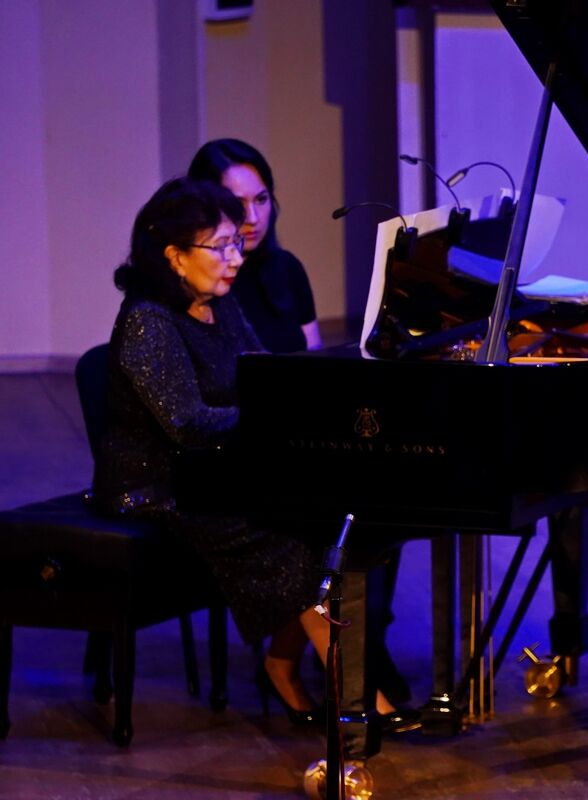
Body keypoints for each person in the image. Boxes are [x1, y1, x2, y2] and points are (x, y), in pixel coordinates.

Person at [93, 178, 408, 729]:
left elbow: (263, 377)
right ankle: (360, 703)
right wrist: (276, 421)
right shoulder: (149, 321)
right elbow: (188, 423)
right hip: (157, 484)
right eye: (221, 247)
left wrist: (312, 398)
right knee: (288, 537)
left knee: (329, 521)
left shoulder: (220, 305)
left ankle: (283, 666)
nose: (236, 258)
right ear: (174, 256)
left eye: (237, 243)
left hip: (216, 469)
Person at [187, 138, 322, 353]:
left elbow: (316, 355)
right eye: (236, 203)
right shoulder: (200, 281)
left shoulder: (287, 268)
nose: (252, 218)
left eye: (261, 199)